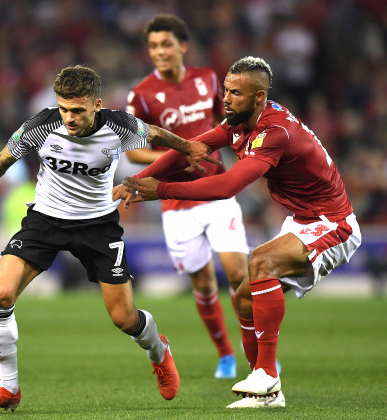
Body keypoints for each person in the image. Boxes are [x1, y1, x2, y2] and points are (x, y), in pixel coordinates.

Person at [0, 65, 214, 413]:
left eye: (77, 110)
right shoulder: (41, 126)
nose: (69, 118)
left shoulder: (119, 126)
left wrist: (188, 148)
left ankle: (159, 351)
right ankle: (8, 388)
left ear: (97, 105)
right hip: (45, 220)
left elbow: (157, 134)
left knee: (124, 319)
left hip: (98, 226)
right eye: (64, 109)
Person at [117, 56, 362, 408]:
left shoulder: (274, 132)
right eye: (226, 90)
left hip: (333, 222)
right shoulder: (239, 121)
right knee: (245, 295)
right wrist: (137, 181)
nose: (226, 99)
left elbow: (227, 186)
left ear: (259, 97)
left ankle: (267, 375)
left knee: (259, 261)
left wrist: (162, 190)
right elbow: (191, 148)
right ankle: (266, 393)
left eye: (235, 92)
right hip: (302, 219)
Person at [126, 14, 249, 379]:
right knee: (203, 283)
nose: (159, 52)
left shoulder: (209, 79)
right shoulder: (142, 94)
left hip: (217, 192)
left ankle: (258, 355)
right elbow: (134, 151)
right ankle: (225, 354)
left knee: (239, 274)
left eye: (166, 44)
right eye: (153, 46)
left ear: (182, 46)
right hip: (176, 201)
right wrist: (181, 155)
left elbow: (227, 123)